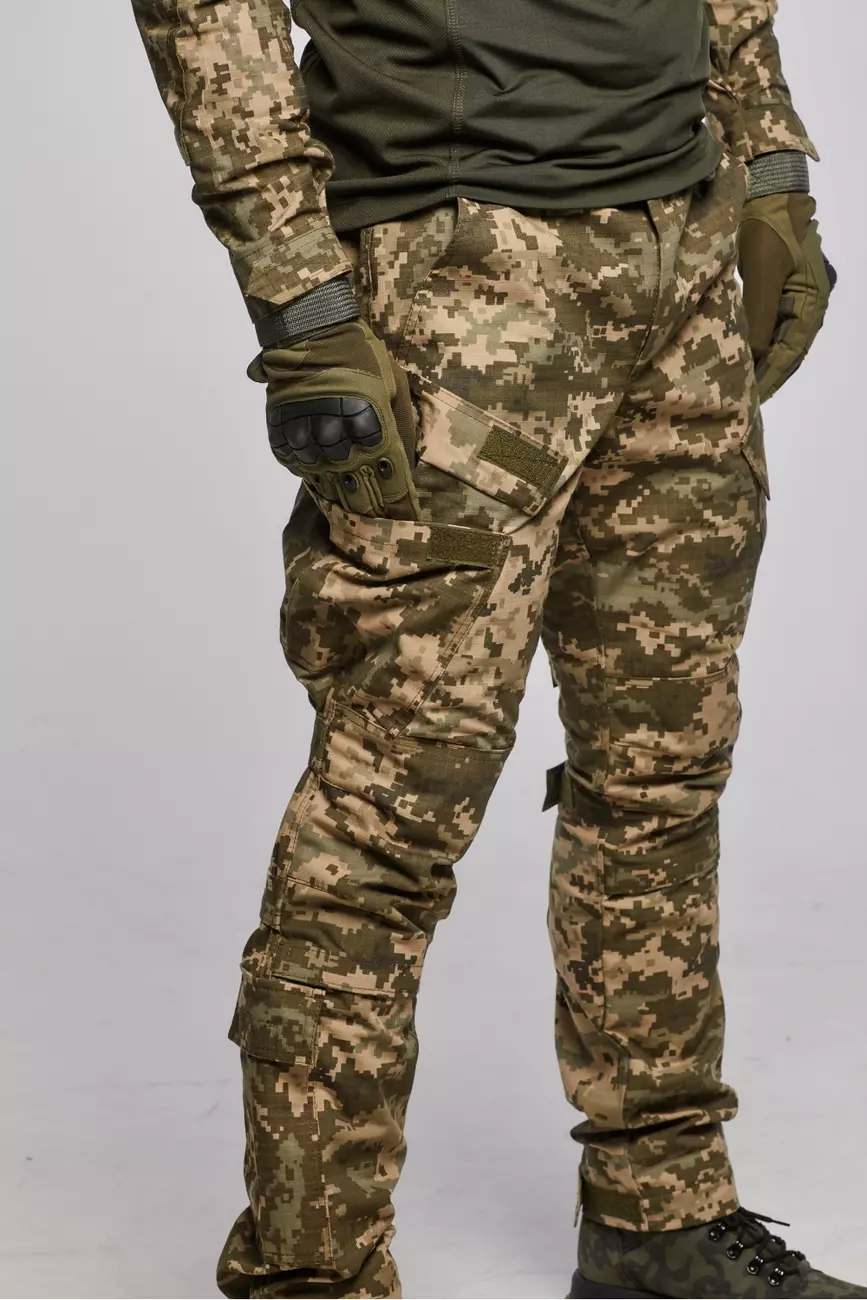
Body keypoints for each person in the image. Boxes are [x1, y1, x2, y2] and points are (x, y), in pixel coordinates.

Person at [129, 2, 862, 1296]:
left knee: (658, 776)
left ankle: (656, 1221)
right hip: (462, 283)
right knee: (386, 821)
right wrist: (302, 297)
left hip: (683, 255)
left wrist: (770, 161)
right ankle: (311, 1275)